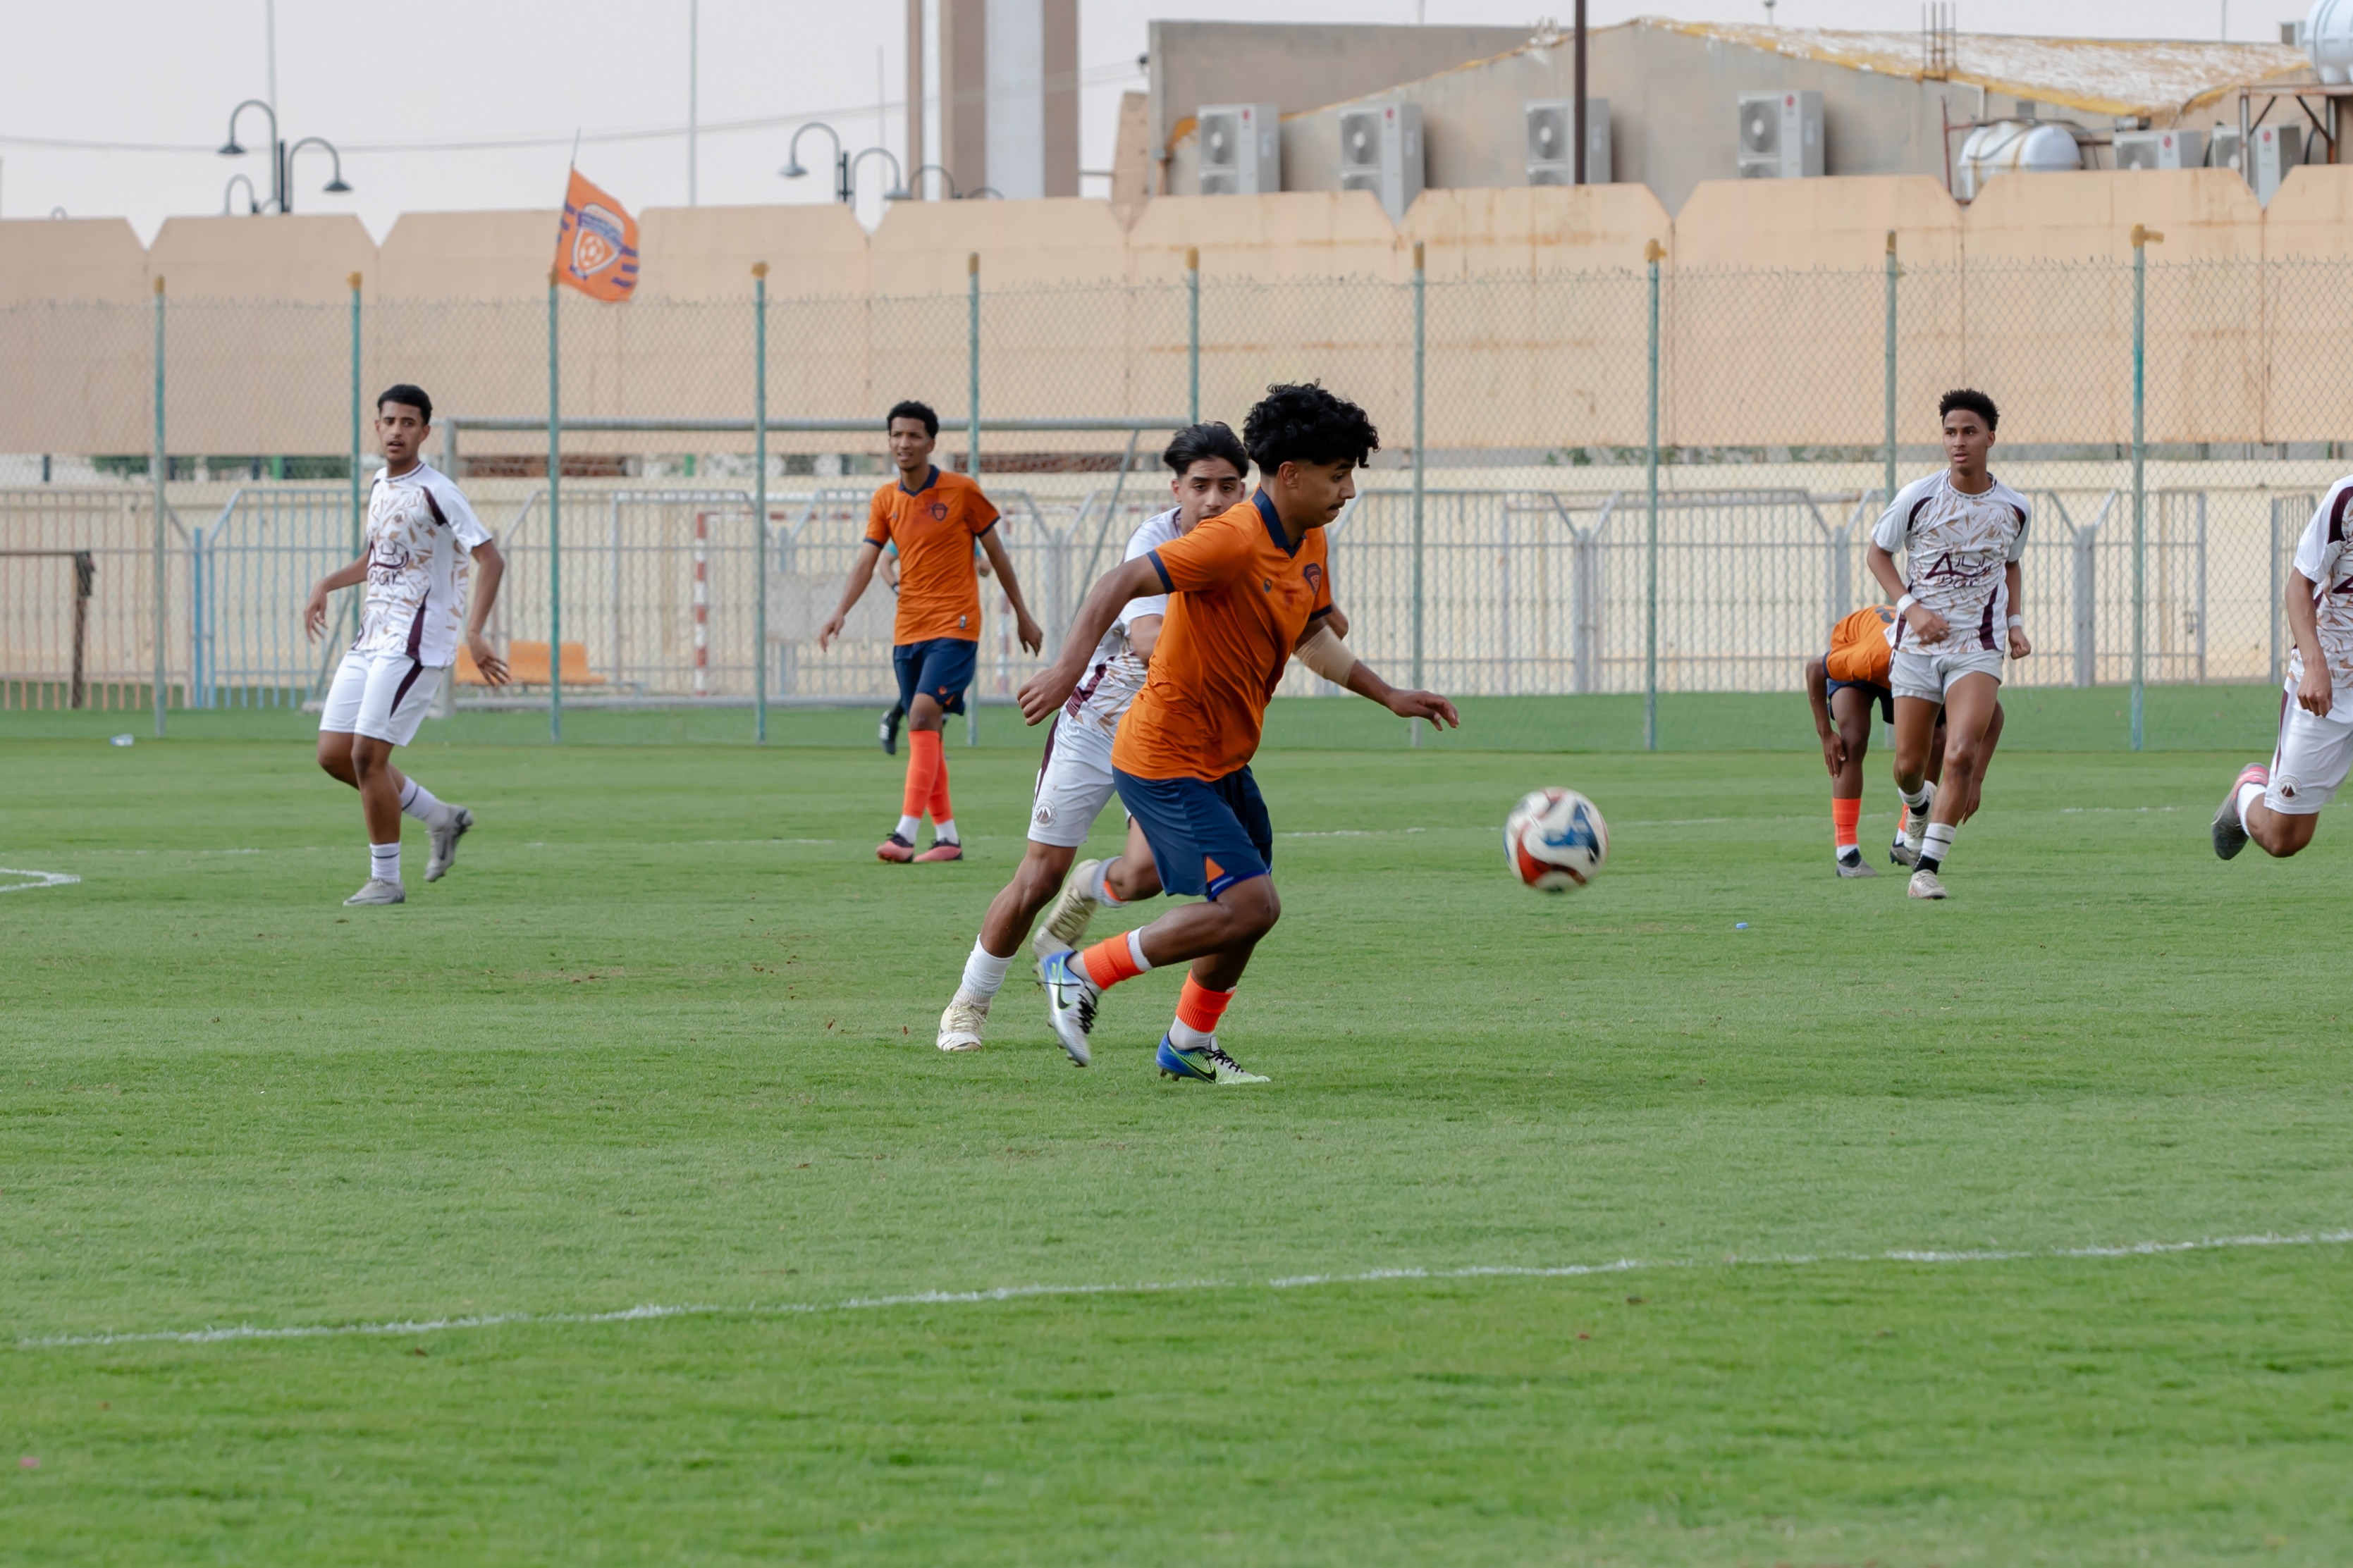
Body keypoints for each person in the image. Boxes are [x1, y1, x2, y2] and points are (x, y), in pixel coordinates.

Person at [1016, 383, 1458, 1082]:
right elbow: (1118, 581)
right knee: (1251, 902)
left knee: (1246, 911)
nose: (1348, 489)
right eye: (1337, 473)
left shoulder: (1307, 538)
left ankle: (1188, 1040)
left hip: (1223, 758)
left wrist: (1388, 694)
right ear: (1289, 474)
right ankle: (1077, 970)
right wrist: (1066, 668)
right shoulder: (1228, 540)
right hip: (1164, 756)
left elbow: (1311, 636)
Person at [935, 423, 1252, 1054]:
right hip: (1098, 724)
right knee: (1036, 878)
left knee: (1151, 876)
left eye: (1228, 486)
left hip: (1171, 735)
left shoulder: (1250, 546)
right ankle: (967, 1005)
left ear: (1245, 489)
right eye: (1201, 486)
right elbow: (1145, 639)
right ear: (1176, 489)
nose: (1214, 500)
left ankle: (1092, 888)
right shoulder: (1156, 540)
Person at [302, 384, 508, 906]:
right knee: (334, 755)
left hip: (416, 643)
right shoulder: (379, 483)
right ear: (377, 427)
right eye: (389, 421)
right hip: (373, 637)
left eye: (408, 422)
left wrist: (476, 633)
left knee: (367, 755)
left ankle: (387, 880)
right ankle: (441, 817)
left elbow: (491, 560)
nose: (397, 430)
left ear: (424, 431)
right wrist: (326, 583)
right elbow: (376, 558)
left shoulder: (439, 491)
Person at [819, 400, 1043, 862]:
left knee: (921, 714)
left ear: (931, 443)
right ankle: (948, 839)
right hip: (908, 632)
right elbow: (869, 560)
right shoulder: (885, 499)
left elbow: (997, 555)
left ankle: (904, 834)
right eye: (897, 435)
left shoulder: (963, 491)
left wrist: (1022, 612)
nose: (904, 443)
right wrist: (840, 610)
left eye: (914, 435)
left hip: (956, 626)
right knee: (929, 729)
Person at [1864, 388, 2032, 901]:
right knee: (1908, 767)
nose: (1958, 442)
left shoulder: (2015, 508)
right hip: (1916, 647)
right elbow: (1877, 553)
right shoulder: (1918, 495)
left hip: (1979, 645)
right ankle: (1917, 807)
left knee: (1959, 752)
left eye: (1969, 432)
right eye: (1950, 432)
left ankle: (1926, 870)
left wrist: (2016, 622)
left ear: (1990, 439)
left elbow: (2010, 565)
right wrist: (1911, 607)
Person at [1803, 603, 2005, 876]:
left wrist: (1976, 780)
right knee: (1853, 740)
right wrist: (1826, 734)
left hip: (1908, 667)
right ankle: (1846, 851)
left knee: (1936, 738)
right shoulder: (1870, 657)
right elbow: (1815, 668)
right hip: (1864, 654)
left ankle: (1905, 835)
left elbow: (1993, 713)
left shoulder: (1943, 658)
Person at [2213, 477, 2353, 861]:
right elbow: (2298, 586)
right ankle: (2248, 791)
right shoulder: (2346, 499)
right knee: (2284, 839)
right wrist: (2314, 665)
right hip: (2331, 683)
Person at [876, 538, 991, 755]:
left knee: (936, 687)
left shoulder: (958, 529)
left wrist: (980, 563)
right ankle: (901, 725)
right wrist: (896, 587)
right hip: (917, 623)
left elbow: (985, 566)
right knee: (926, 689)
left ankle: (930, 744)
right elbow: (884, 561)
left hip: (950, 624)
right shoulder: (911, 523)